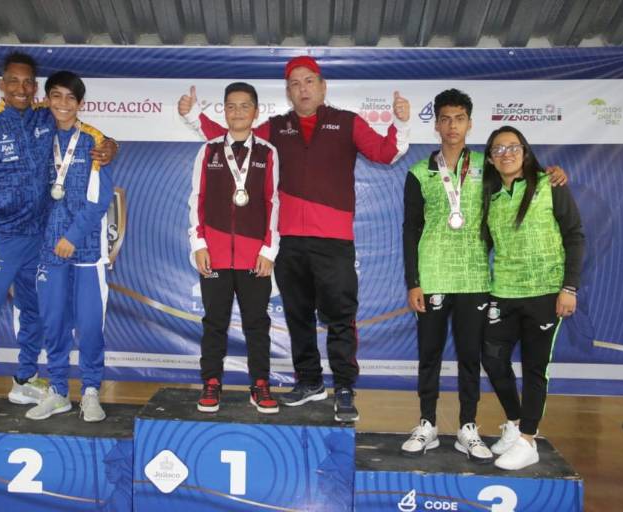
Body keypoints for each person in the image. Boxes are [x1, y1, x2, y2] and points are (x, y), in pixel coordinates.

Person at [179, 55, 411, 422]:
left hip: (334, 238)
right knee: (298, 315)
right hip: (288, 240)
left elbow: (387, 153)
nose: (302, 89)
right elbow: (233, 138)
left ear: (322, 86)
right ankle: (309, 381)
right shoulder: (276, 128)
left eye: (309, 82)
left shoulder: (347, 122)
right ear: (287, 92)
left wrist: (400, 122)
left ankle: (345, 386)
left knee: (340, 315)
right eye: (294, 84)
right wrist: (195, 117)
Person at [401, 90, 569, 462]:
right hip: (432, 276)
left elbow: (520, 175)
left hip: (475, 277)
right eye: (445, 119)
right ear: (436, 124)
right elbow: (410, 229)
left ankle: (468, 427)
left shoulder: (486, 166)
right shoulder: (418, 172)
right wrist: (414, 281)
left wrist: (551, 173)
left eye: (459, 118)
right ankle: (427, 423)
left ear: (470, 123)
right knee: (429, 354)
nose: (452, 126)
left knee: (470, 356)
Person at [0, 52, 115, 425]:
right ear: (1, 84)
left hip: (41, 240)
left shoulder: (45, 117)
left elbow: (82, 130)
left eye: (28, 83)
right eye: (13, 81)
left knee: (36, 314)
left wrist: (111, 145)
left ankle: (24, 379)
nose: (21, 89)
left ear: (36, 87)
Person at [479, 126, 584, 471]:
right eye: (498, 149)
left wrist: (569, 288)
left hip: (545, 293)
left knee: (535, 367)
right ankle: (515, 422)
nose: (506, 154)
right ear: (490, 160)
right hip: (503, 292)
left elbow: (574, 236)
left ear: (524, 151)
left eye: (513, 147)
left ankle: (528, 440)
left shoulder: (550, 184)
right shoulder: (490, 196)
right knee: (493, 359)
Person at [25, 71, 114, 422]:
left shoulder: (95, 141)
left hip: (86, 249)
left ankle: (90, 390)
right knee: (54, 322)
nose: (63, 104)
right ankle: (59, 391)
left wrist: (72, 238)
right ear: (46, 98)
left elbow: (99, 200)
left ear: (80, 103)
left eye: (70, 97)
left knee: (89, 325)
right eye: (56, 96)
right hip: (49, 248)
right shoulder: (38, 136)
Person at [188, 82, 280, 414]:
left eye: (244, 106)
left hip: (254, 256)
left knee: (257, 323)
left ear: (256, 112)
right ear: (224, 111)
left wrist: (268, 250)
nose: (237, 112)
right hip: (214, 254)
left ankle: (260, 384)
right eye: (231, 106)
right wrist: (199, 243)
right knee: (214, 322)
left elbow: (273, 202)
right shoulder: (208, 151)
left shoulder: (268, 152)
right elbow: (196, 199)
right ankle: (211, 382)